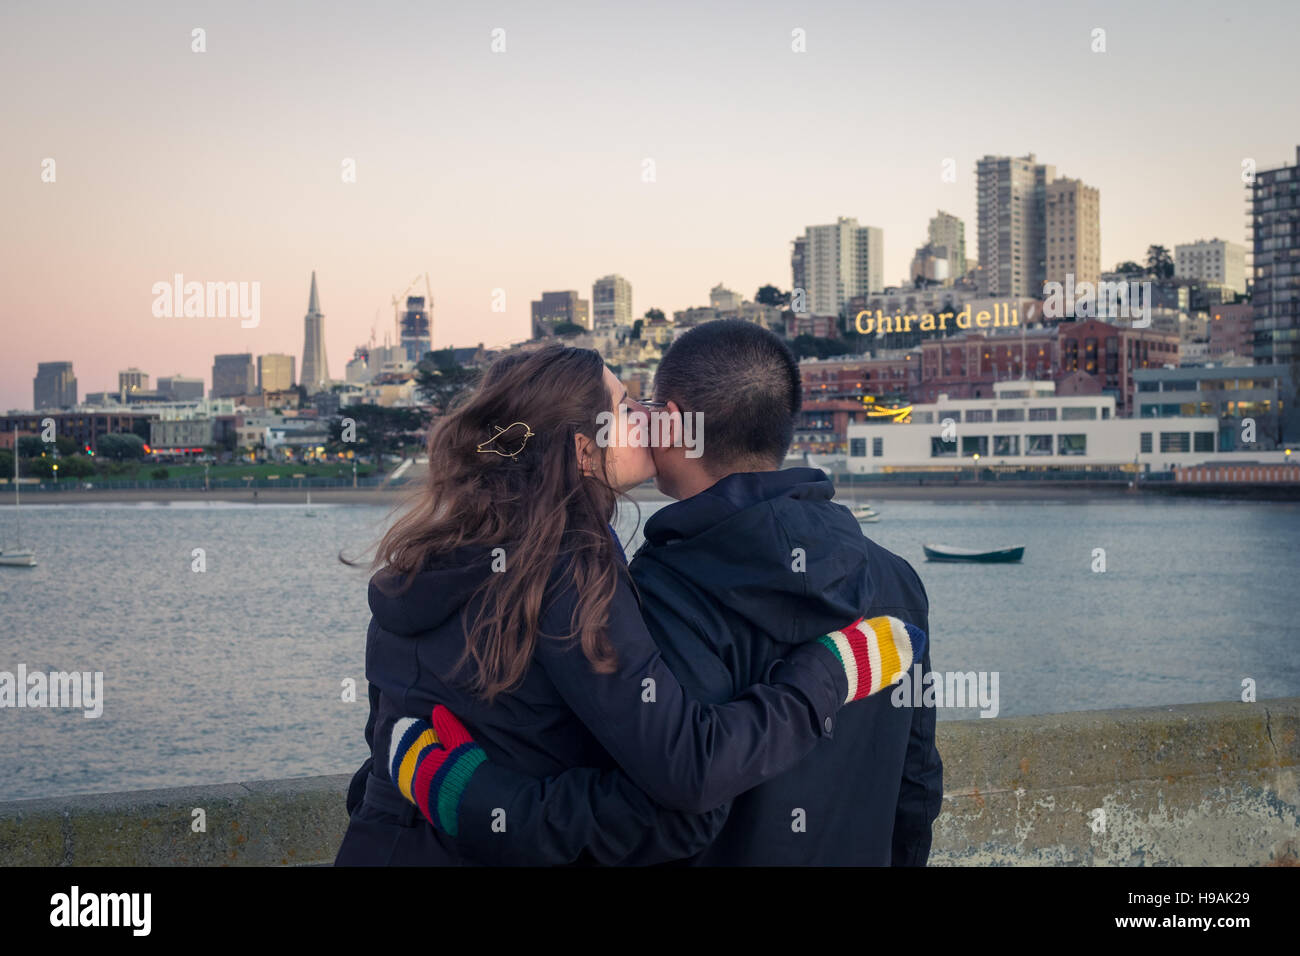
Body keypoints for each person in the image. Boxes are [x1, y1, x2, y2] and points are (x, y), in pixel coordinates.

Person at [333, 342, 923, 866]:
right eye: (624, 405)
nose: (642, 415)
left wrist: (455, 795)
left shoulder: (417, 566)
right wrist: (830, 672)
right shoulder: (573, 573)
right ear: (584, 452)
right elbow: (690, 777)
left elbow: (391, 744)